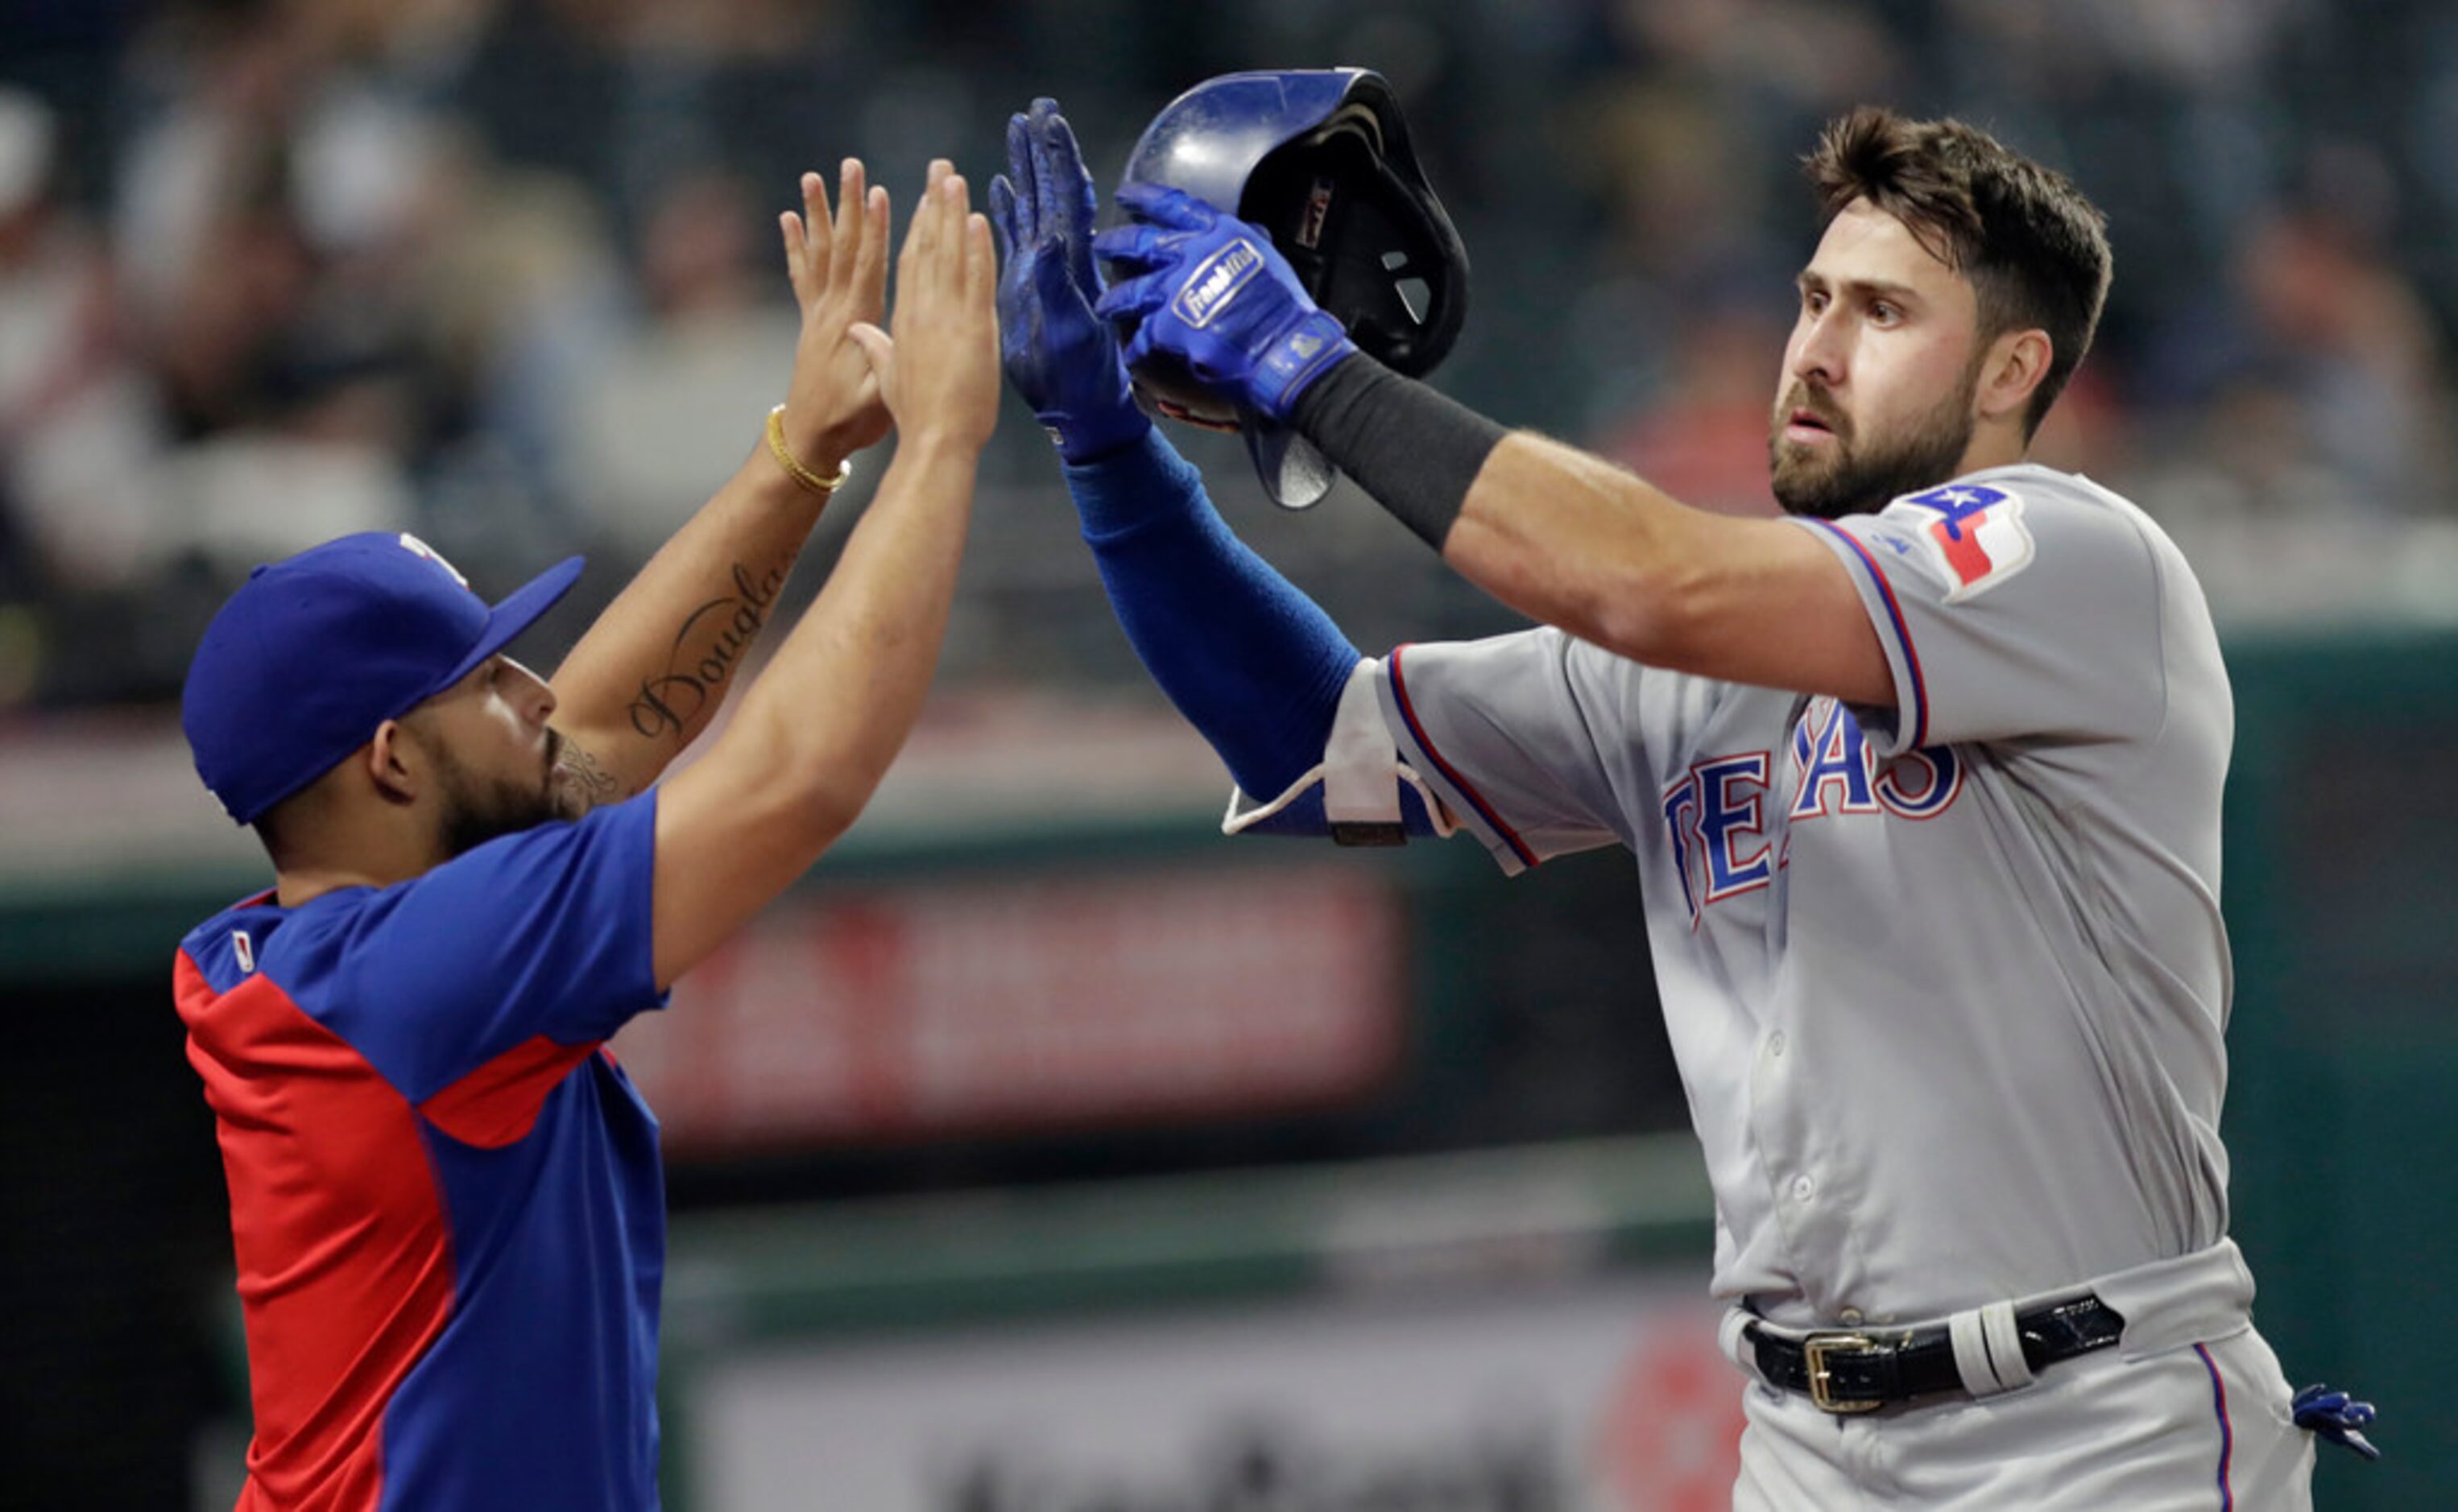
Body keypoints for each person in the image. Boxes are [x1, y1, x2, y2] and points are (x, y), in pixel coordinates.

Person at [991, 93, 2377, 1507]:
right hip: (1806, 1443)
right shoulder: (1682, 664)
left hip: (2091, 1430)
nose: (1820, 349)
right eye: (1814, 298)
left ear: (2015, 366)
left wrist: (1310, 367)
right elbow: (1317, 747)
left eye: (1885, 314)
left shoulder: (2071, 557)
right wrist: (1112, 462)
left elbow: (1651, 580)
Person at [173, 158, 999, 1510]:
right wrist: (946, 441)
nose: (538, 688)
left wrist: (803, 454)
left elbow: (587, 745)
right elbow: (798, 775)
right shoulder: (416, 975)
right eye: (490, 678)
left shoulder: (301, 939)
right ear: (388, 760)